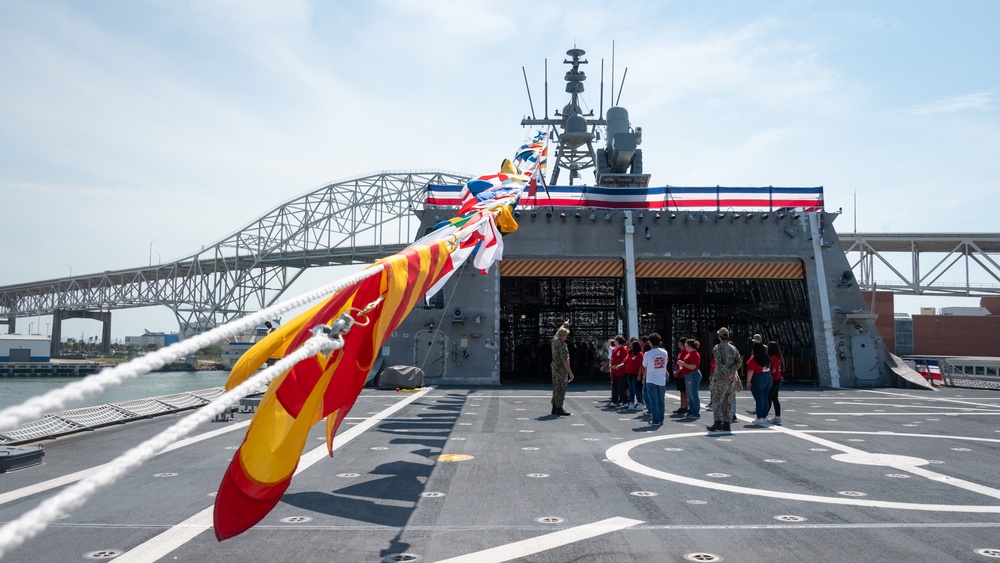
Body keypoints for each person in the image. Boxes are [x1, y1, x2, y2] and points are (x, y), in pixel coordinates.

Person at [707, 327, 742, 433]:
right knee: (728, 401)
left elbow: (719, 363)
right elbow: (739, 362)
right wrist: (732, 372)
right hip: (731, 379)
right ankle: (727, 423)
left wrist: (727, 373)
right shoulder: (733, 348)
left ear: (719, 337)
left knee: (717, 400)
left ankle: (717, 421)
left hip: (721, 378)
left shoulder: (717, 348)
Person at [640, 332, 669, 426]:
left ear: (650, 342)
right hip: (661, 378)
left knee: (653, 400)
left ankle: (655, 419)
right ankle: (661, 418)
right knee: (661, 400)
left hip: (651, 378)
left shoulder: (648, 353)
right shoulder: (664, 352)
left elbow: (644, 365)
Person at [746, 334, 773, 426]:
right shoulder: (767, 357)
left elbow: (750, 371)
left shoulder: (753, 358)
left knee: (759, 399)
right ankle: (764, 417)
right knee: (765, 398)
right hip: (768, 377)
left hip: (758, 377)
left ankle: (760, 417)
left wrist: (748, 381)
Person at [550, 321, 574, 416]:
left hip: (554, 368)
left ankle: (554, 407)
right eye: (566, 335)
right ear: (563, 336)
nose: (566, 337)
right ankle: (559, 407)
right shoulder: (562, 346)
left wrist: (564, 325)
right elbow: (565, 361)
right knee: (561, 388)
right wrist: (570, 373)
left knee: (556, 387)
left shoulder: (555, 341)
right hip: (561, 369)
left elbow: (558, 332)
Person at [677, 339, 703, 418]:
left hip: (692, 375)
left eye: (686, 344)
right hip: (689, 375)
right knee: (690, 394)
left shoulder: (694, 354)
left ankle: (695, 412)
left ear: (690, 345)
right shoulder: (690, 353)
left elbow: (693, 366)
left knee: (693, 394)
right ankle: (691, 411)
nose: (685, 345)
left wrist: (683, 363)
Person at [766, 340, 784, 423]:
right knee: (774, 398)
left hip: (775, 379)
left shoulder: (774, 358)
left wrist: (766, 371)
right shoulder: (778, 357)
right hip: (777, 378)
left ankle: (764, 414)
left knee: (769, 397)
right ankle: (777, 416)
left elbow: (773, 370)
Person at [624, 340, 644, 411]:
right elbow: (625, 362)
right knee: (631, 389)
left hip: (635, 374)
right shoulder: (630, 354)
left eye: (632, 345)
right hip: (629, 373)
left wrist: (639, 375)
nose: (630, 346)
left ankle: (640, 403)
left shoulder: (639, 354)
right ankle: (631, 403)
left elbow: (641, 366)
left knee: (636, 389)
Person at [671, 337, 689, 414]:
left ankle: (685, 407)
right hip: (679, 375)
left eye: (679, 343)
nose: (678, 344)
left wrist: (677, 372)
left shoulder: (685, 352)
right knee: (682, 392)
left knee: (684, 392)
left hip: (682, 374)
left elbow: (683, 365)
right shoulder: (681, 352)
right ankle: (682, 406)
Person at [609, 335, 628, 407]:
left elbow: (624, 361)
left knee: (622, 387)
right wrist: (611, 365)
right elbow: (612, 359)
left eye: (615, 340)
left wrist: (618, 366)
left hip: (621, 372)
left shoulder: (624, 349)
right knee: (614, 387)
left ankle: (625, 401)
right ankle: (614, 401)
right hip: (614, 372)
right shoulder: (614, 350)